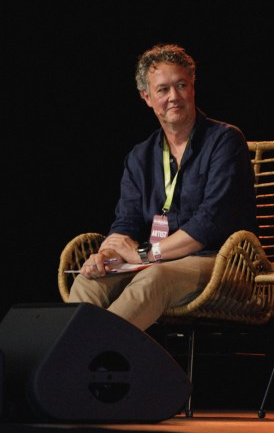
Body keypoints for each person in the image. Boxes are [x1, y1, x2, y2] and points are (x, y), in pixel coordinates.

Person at [68, 44, 256, 332]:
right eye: (163, 89)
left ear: (192, 87)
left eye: (181, 85)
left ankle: (95, 352)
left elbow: (209, 224)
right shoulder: (140, 156)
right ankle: (82, 355)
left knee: (154, 278)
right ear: (147, 97)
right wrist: (105, 256)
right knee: (89, 281)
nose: (174, 97)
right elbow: (126, 223)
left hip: (219, 261)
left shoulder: (225, 141)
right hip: (157, 260)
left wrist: (145, 254)